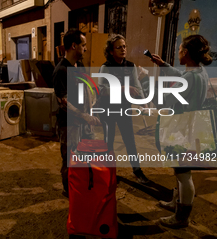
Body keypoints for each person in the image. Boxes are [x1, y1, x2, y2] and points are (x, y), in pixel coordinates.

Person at [140, 34, 212, 228]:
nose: (177, 52)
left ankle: (182, 217)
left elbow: (165, 103)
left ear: (186, 53)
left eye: (179, 49)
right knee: (180, 170)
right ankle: (177, 203)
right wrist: (163, 64)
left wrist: (146, 81)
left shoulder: (190, 77)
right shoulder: (199, 72)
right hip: (189, 125)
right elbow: (182, 77)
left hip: (180, 128)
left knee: (183, 173)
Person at [53, 28, 101, 198]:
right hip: (70, 124)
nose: (86, 48)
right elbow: (63, 102)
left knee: (88, 154)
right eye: (83, 45)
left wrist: (93, 108)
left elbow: (87, 89)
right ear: (74, 46)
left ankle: (84, 185)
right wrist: (85, 116)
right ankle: (69, 191)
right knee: (70, 158)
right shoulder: (61, 71)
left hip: (86, 122)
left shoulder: (79, 66)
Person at [97, 34, 149, 184]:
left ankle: (137, 171)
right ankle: (109, 172)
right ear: (111, 51)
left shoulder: (131, 66)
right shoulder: (105, 68)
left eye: (124, 46)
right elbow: (102, 90)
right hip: (107, 109)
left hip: (124, 108)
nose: (123, 49)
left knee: (129, 140)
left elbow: (137, 87)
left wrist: (144, 102)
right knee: (109, 141)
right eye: (119, 47)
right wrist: (123, 88)